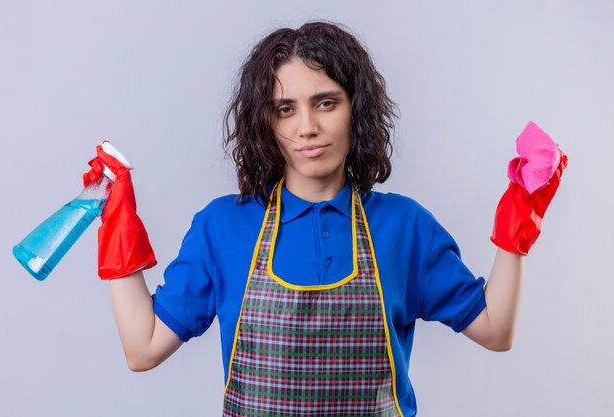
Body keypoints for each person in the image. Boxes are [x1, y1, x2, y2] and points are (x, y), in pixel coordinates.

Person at [83, 21, 567, 417]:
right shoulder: (222, 228)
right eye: (284, 109)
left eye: (326, 103)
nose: (306, 127)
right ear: (264, 122)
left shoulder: (405, 227)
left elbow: (495, 330)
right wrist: (117, 222)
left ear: (356, 110)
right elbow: (143, 348)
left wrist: (519, 218)